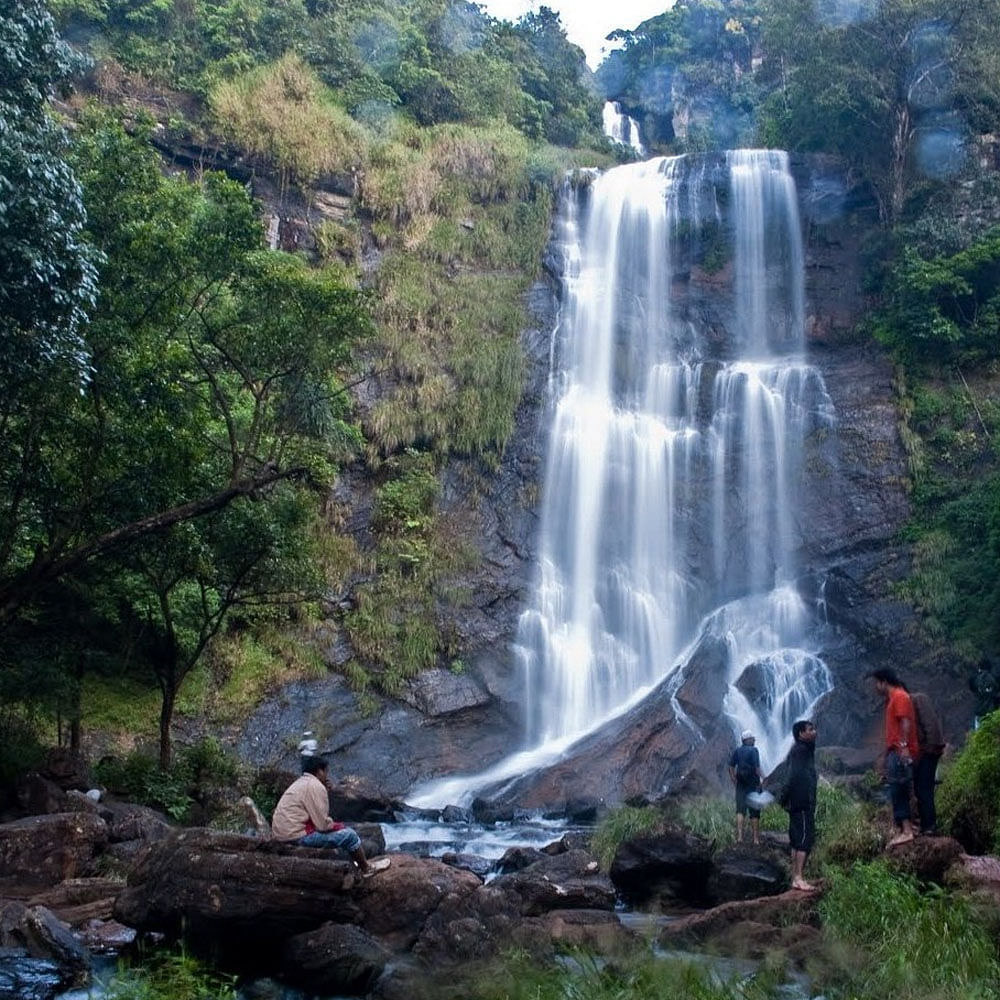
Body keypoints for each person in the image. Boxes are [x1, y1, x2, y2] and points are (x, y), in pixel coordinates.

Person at [271, 755, 390, 877]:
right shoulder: (315, 785)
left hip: (283, 834)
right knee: (350, 835)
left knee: (342, 832)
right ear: (319, 771)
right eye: (326, 772)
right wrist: (338, 826)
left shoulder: (301, 783)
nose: (327, 776)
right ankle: (366, 869)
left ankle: (355, 865)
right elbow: (322, 825)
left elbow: (314, 814)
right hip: (297, 836)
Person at [869, 668, 920, 847]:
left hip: (900, 751)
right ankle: (908, 827)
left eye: (876, 682)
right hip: (895, 751)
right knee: (900, 787)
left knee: (898, 789)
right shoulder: (893, 699)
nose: (875, 687)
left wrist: (904, 747)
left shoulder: (899, 696)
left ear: (884, 682)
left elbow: (905, 722)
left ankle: (906, 831)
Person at [779, 719, 818, 891]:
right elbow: (793, 776)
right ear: (801, 734)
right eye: (810, 729)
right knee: (804, 839)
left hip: (796, 800)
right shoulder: (801, 751)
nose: (814, 732)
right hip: (801, 800)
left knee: (796, 840)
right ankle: (799, 878)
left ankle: (796, 877)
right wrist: (784, 796)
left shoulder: (798, 750)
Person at [910, 690, 945, 836]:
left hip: (928, 751)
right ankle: (925, 823)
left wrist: (930, 748)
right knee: (920, 788)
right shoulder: (914, 701)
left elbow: (931, 725)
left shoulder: (918, 699)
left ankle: (929, 826)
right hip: (924, 752)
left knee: (924, 789)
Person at [728, 729, 763, 845]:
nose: (754, 740)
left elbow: (731, 766)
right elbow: (757, 768)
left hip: (741, 784)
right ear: (747, 740)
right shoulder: (754, 750)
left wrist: (734, 780)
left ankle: (739, 837)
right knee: (754, 813)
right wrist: (763, 779)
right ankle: (756, 839)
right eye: (752, 738)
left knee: (740, 811)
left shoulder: (737, 751)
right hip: (753, 784)